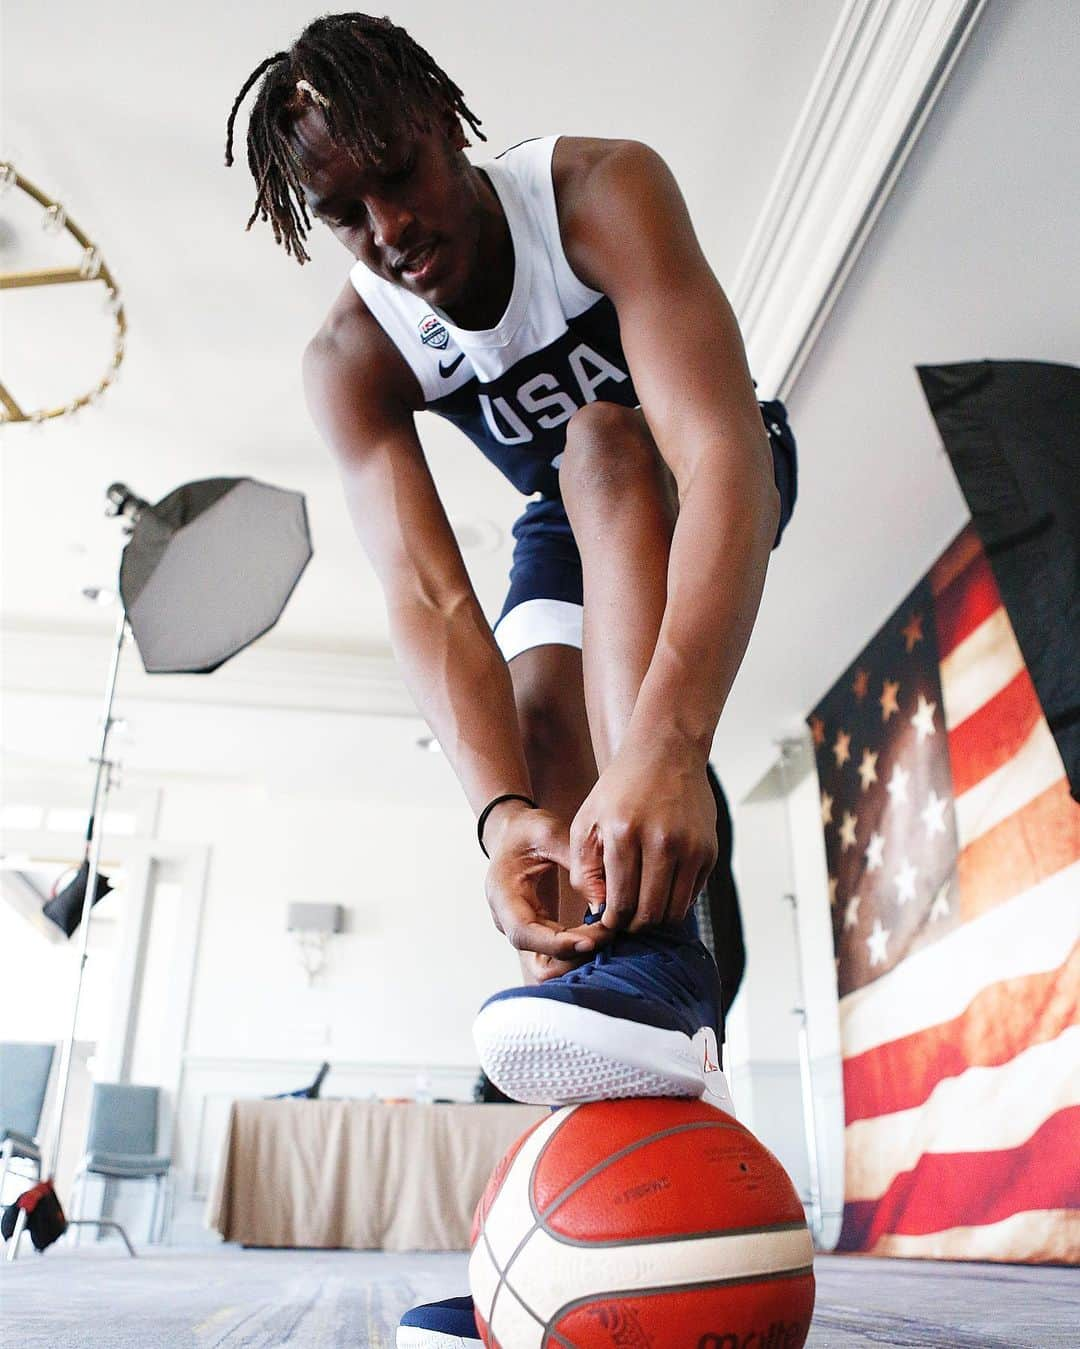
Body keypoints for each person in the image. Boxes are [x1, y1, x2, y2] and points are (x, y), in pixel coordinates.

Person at [226, 14, 796, 1344]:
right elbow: (428, 594)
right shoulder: (349, 358)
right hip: (568, 510)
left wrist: (667, 741)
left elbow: (713, 457)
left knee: (601, 444)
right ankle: (554, 1236)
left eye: (400, 174)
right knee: (541, 774)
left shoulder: (599, 191)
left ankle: (658, 955)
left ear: (446, 117)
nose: (391, 230)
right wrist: (497, 824)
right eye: (344, 213)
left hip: (705, 454)